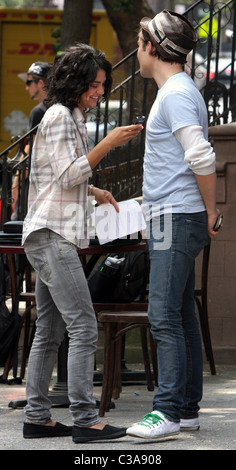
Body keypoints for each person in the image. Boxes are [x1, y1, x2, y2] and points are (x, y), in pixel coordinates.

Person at [21, 43, 143, 443]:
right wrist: (108, 143)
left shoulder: (69, 116)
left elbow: (60, 178)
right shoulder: (58, 116)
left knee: (49, 330)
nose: (99, 93)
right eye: (93, 85)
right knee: (84, 325)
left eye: (102, 85)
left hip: (49, 233)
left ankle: (37, 418)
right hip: (52, 235)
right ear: (74, 83)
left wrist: (94, 192)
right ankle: (86, 420)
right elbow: (68, 174)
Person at [127, 10, 222, 440]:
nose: (136, 48)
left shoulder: (176, 94)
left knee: (163, 314)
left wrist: (210, 210)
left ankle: (165, 411)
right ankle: (184, 410)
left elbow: (201, 156)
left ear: (152, 47)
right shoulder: (179, 91)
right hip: (173, 215)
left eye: (140, 39)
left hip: (176, 216)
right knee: (180, 314)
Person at [11, 62, 51, 217]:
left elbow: (30, 152)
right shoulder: (58, 107)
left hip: (34, 184)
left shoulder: (39, 112)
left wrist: (15, 187)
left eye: (29, 82)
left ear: (41, 83)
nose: (27, 87)